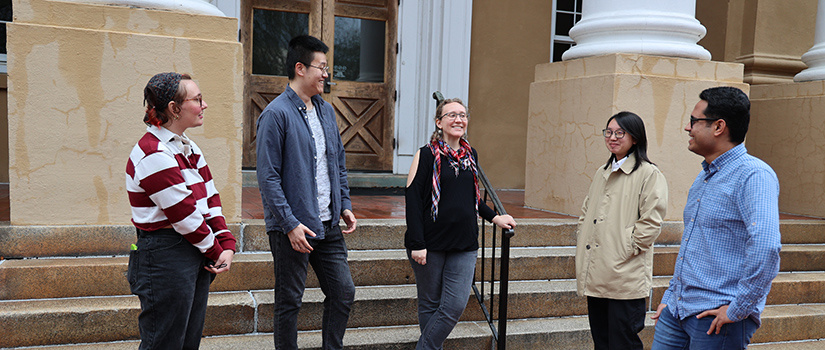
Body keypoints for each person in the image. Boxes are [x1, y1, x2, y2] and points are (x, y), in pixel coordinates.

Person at [650, 86, 781, 349]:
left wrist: (738, 309)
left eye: (693, 121)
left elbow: (766, 247)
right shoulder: (705, 175)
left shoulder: (753, 175)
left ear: (719, 127)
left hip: (717, 318)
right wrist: (672, 295)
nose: (688, 128)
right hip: (677, 310)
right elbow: (694, 244)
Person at [256, 35, 357, 350]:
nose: (326, 74)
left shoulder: (326, 112)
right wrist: (289, 224)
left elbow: (336, 163)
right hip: (294, 228)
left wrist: (344, 205)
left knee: (343, 292)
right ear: (300, 68)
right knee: (289, 302)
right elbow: (268, 177)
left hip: (328, 223)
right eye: (322, 67)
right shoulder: (276, 114)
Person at [125, 72, 237, 349]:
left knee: (187, 341)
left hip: (192, 250)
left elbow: (210, 198)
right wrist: (214, 251)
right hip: (165, 255)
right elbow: (183, 214)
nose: (204, 105)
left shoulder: (187, 147)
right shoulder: (153, 152)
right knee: (164, 343)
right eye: (197, 99)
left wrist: (226, 243)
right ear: (174, 109)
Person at [404, 98, 516, 350]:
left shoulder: (470, 155)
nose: (458, 119)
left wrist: (495, 217)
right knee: (430, 304)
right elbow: (412, 201)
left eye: (462, 115)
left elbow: (473, 197)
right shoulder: (425, 155)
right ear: (439, 122)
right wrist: (417, 242)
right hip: (429, 243)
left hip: (464, 242)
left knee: (454, 305)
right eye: (451, 115)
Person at [576, 111, 668, 349]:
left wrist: (629, 246)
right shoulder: (601, 172)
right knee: (602, 340)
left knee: (623, 341)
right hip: (597, 270)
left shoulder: (649, 174)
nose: (612, 137)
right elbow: (586, 213)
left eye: (620, 133)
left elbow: (651, 221)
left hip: (624, 274)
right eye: (609, 132)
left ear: (635, 138)